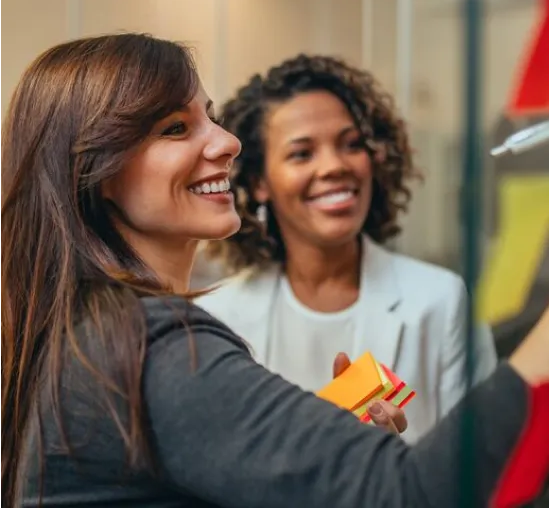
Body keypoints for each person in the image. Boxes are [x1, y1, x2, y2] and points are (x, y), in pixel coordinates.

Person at [1, 33, 548, 508]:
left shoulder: (89, 335)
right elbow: (408, 493)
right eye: (174, 127)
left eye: (210, 118)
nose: (228, 141)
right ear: (98, 171)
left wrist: (320, 457)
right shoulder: (149, 346)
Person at [197, 54, 497, 442]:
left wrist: (388, 464)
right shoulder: (218, 317)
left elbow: (487, 469)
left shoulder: (440, 301)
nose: (335, 166)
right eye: (302, 153)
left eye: (351, 144)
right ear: (258, 182)